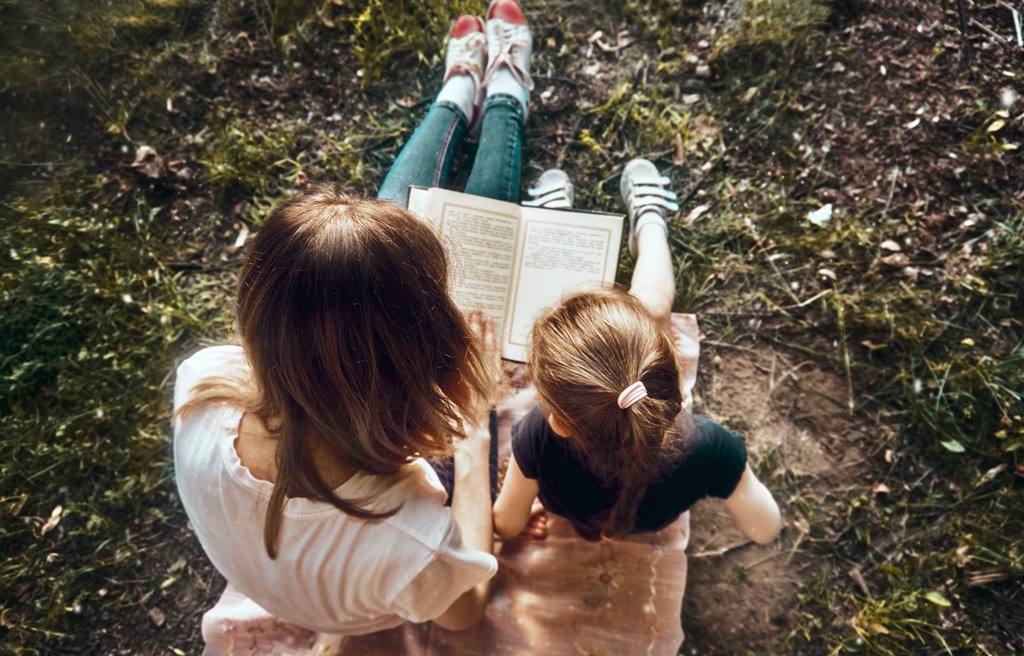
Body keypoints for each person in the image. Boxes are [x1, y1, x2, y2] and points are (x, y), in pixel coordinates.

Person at [172, 0, 535, 648]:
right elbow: (468, 607)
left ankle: (457, 95)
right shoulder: (410, 535)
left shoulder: (198, 389)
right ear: (424, 379)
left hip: (314, 532)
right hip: (373, 569)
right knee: (474, 223)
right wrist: (473, 440)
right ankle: (503, 92)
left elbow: (329, 329)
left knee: (372, 234)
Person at [492, 158, 783, 545]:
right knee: (651, 302)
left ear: (559, 422)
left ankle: (558, 230)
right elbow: (766, 529)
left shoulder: (536, 438)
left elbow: (506, 524)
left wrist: (516, 515)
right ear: (673, 376)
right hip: (654, 510)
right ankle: (649, 222)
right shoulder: (708, 446)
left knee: (602, 309)